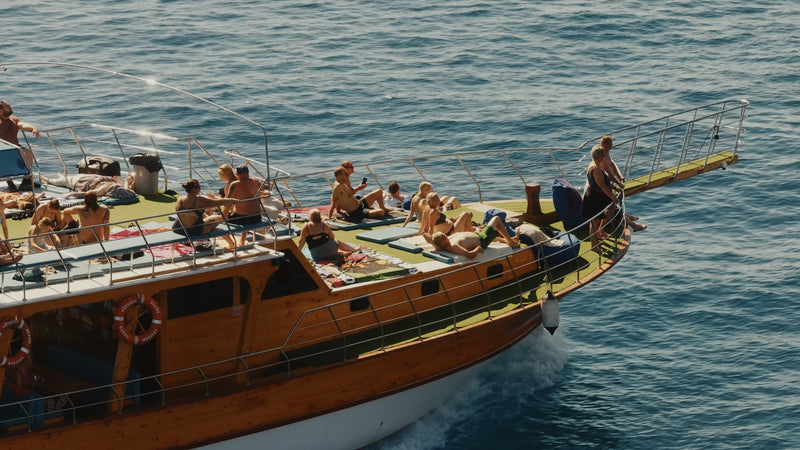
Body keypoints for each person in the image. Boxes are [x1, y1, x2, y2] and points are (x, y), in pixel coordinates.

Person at [597, 135, 647, 232]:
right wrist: (618, 184)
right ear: (606, 145)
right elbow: (607, 173)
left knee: (614, 206)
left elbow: (611, 164)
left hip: (608, 184)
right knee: (614, 208)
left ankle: (627, 217)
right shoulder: (601, 156)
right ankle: (634, 226)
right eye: (610, 144)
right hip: (603, 186)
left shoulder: (606, 153)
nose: (612, 146)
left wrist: (619, 177)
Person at [423, 216, 519, 259]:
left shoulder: (446, 242)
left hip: (477, 235)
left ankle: (506, 239)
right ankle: (509, 241)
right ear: (442, 241)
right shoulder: (454, 246)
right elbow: (470, 255)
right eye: (444, 236)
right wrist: (477, 249)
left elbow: (432, 241)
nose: (446, 236)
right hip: (482, 239)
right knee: (496, 219)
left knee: (478, 228)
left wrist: (432, 240)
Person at [173, 179, 237, 237]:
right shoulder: (199, 200)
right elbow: (218, 202)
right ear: (196, 189)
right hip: (194, 231)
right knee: (219, 217)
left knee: (202, 213)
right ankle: (231, 244)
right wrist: (232, 200)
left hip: (178, 228)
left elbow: (185, 212)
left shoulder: (180, 199)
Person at [582, 145, 618, 248]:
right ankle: (594, 245)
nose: (605, 155)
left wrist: (615, 188)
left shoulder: (596, 165)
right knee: (595, 222)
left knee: (609, 209)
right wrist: (612, 196)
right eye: (604, 154)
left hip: (598, 196)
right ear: (599, 156)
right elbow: (602, 185)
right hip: (594, 198)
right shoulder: (595, 169)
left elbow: (604, 183)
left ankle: (600, 234)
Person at [0, 100, 40, 191]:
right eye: (7, 106)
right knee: (3, 159)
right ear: (1, 110)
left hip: (15, 147)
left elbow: (21, 124)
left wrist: (33, 128)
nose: (10, 107)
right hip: (3, 149)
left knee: (29, 154)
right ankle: (10, 183)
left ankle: (26, 181)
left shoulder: (13, 119)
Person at [225, 165, 265, 245]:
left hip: (242, 219)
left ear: (237, 174)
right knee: (245, 212)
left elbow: (228, 202)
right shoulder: (256, 181)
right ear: (248, 173)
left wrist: (224, 215)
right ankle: (242, 240)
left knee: (220, 219)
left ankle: (231, 243)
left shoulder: (235, 184)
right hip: (257, 217)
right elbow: (263, 188)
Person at [42, 173, 137, 201]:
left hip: (83, 181)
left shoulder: (103, 189)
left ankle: (48, 180)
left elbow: (87, 194)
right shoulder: (112, 185)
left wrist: (71, 194)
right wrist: (128, 182)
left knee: (65, 181)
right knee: (66, 180)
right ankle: (61, 177)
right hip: (91, 178)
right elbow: (126, 189)